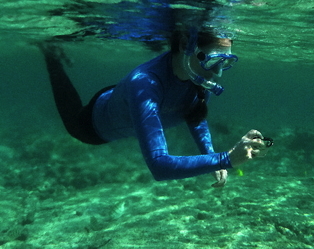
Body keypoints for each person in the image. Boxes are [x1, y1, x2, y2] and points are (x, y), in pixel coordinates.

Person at [39, 28, 271, 187]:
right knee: (70, 109)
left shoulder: (197, 79)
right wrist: (225, 159)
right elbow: (159, 167)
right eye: (213, 60)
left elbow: (195, 116)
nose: (217, 72)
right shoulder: (144, 83)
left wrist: (209, 154)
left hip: (130, 98)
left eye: (226, 62)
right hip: (91, 125)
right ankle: (50, 54)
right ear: (184, 46)